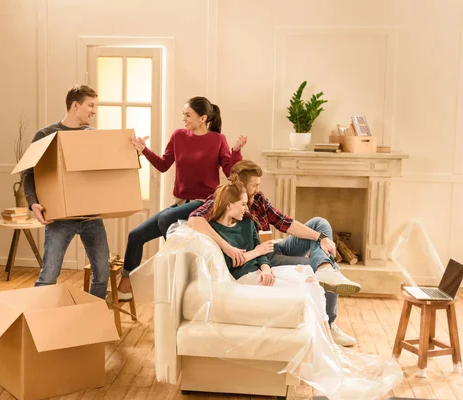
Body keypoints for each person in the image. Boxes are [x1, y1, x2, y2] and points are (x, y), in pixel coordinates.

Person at [188, 159, 360, 347]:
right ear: (241, 185)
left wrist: (321, 238)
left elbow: (285, 223)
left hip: (272, 248)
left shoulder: (259, 199)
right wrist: (227, 247)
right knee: (312, 267)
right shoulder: (225, 200)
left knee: (320, 225)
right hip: (264, 257)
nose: (258, 189)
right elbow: (195, 219)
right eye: (254, 185)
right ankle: (330, 321)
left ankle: (325, 267)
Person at [207, 179, 351, 366]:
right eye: (242, 204)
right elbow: (230, 263)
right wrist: (257, 253)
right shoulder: (215, 231)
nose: (246, 208)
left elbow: (263, 254)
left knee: (310, 276)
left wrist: (265, 268)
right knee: (306, 284)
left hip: (261, 272)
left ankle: (329, 344)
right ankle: (328, 349)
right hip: (244, 278)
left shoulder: (248, 223)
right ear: (228, 205)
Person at [117, 96, 248, 299]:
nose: (184, 119)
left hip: (204, 203)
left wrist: (236, 152)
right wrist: (144, 150)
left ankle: (170, 276)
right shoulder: (178, 136)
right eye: (183, 115)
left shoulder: (217, 140)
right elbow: (163, 165)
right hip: (181, 203)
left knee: (165, 219)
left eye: (188, 115)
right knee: (136, 235)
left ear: (203, 118)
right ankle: (126, 285)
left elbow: (231, 172)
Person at [23, 84, 109, 299]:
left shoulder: (93, 136)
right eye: (90, 105)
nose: (94, 110)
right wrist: (33, 202)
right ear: (75, 105)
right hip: (60, 218)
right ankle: (37, 322)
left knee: (102, 273)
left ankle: (92, 317)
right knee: (49, 276)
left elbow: (106, 168)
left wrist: (133, 151)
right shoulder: (46, 134)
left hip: (91, 216)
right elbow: (28, 172)